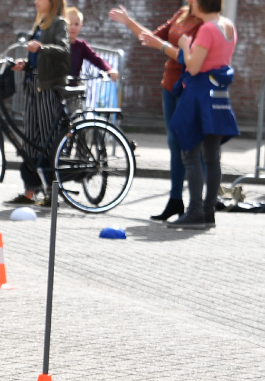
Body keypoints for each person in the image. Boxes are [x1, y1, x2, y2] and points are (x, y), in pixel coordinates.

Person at [140, 0, 237, 229]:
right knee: (212, 157)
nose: (189, 4)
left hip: (199, 94)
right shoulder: (228, 26)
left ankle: (194, 212)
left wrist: (184, 45)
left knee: (191, 153)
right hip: (219, 94)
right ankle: (208, 212)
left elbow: (193, 66)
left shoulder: (207, 29)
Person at [109, 3, 202, 221]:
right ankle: (175, 200)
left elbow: (188, 57)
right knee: (173, 142)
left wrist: (160, 46)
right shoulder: (182, 13)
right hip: (170, 85)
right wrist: (128, 21)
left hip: (187, 88)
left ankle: (198, 206)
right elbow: (151, 37)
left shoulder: (205, 23)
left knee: (188, 146)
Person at [7, 0, 70, 206]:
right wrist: (24, 65)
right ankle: (30, 193)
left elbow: (63, 49)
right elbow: (37, 60)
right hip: (32, 85)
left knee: (46, 140)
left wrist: (41, 47)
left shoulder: (59, 23)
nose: (35, 1)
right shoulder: (40, 23)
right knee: (30, 141)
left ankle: (53, 192)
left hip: (46, 89)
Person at [66, 7, 119, 85]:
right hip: (56, 87)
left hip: (73, 87)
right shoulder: (57, 43)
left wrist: (109, 69)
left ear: (81, 26)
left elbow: (97, 59)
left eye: (76, 24)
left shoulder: (81, 46)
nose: (73, 27)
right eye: (69, 23)